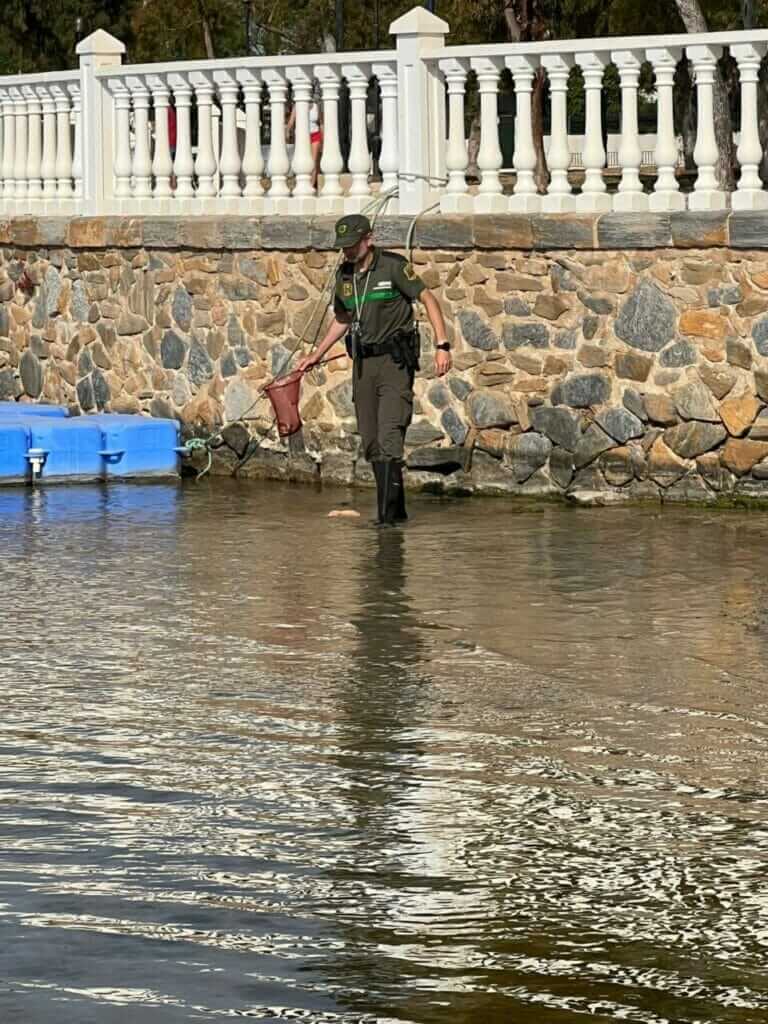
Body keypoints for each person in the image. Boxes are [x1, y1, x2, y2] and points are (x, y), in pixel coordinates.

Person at [297, 214, 452, 526]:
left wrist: (442, 344)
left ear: (368, 239)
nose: (347, 251)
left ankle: (385, 522)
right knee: (371, 440)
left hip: (394, 362)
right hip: (363, 365)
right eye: (343, 246)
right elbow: (343, 319)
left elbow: (428, 299)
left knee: (389, 434)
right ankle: (397, 513)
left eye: (352, 245)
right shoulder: (344, 276)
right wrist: (316, 354)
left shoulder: (393, 267)